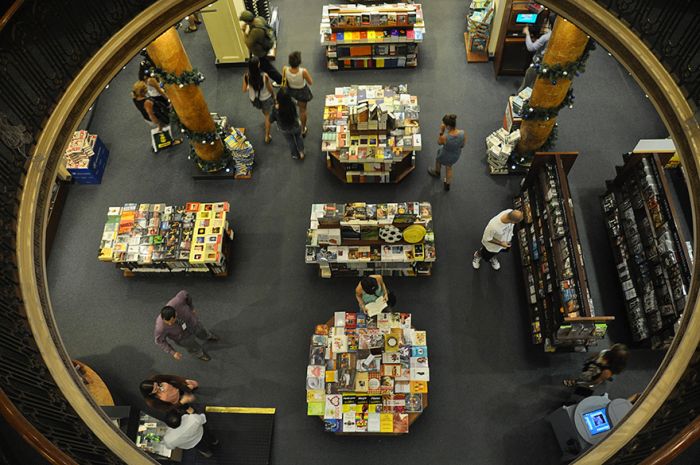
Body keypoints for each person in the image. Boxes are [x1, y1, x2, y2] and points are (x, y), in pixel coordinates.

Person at [154, 290, 218, 361]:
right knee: (192, 346)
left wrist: (191, 307)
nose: (170, 324)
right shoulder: (160, 328)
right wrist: (172, 352)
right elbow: (160, 341)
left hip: (193, 323)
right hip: (183, 338)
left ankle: (208, 336)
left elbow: (184, 293)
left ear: (175, 313)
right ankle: (200, 354)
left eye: (172, 321)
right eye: (168, 322)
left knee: (202, 331)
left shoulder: (177, 302)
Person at [563, 343, 630, 396]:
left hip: (593, 376)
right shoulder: (605, 352)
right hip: (592, 369)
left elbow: (596, 381)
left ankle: (575, 383)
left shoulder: (607, 371)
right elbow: (596, 356)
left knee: (583, 382)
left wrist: (588, 384)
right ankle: (576, 382)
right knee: (583, 376)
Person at [239, 10, 282, 84]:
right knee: (262, 66)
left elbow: (248, 43)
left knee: (268, 68)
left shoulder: (256, 31)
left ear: (247, 21)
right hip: (264, 45)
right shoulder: (259, 19)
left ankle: (280, 81)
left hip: (260, 52)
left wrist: (243, 31)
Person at [427, 114, 465, 191]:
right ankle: (447, 185)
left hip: (445, 154)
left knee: (438, 159)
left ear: (447, 126)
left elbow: (439, 142)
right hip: (456, 155)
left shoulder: (445, 137)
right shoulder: (462, 133)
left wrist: (441, 132)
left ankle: (437, 172)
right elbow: (462, 145)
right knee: (449, 167)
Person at [243, 56, 275, 144]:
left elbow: (244, 90)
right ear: (258, 65)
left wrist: (250, 86)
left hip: (255, 99)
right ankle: (267, 136)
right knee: (268, 116)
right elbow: (270, 88)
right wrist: (274, 96)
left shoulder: (246, 76)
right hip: (266, 98)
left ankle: (264, 114)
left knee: (264, 112)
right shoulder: (264, 76)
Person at [282, 51, 313, 136]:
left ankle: (293, 125)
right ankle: (303, 129)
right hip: (302, 92)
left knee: (292, 109)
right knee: (302, 110)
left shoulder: (285, 69)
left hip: (291, 92)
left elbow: (284, 82)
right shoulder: (303, 71)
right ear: (299, 62)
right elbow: (310, 82)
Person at [518, 19, 553, 93]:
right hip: (549, 64)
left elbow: (531, 48)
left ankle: (518, 98)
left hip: (538, 64)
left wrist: (527, 33)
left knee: (526, 83)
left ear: (550, 24)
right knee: (537, 85)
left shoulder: (546, 37)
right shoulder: (555, 35)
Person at [273, 88, 305, 160]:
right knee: (299, 138)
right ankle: (301, 152)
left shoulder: (275, 108)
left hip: (284, 128)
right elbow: (297, 105)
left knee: (290, 141)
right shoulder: (292, 104)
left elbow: (271, 119)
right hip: (295, 125)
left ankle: (295, 155)